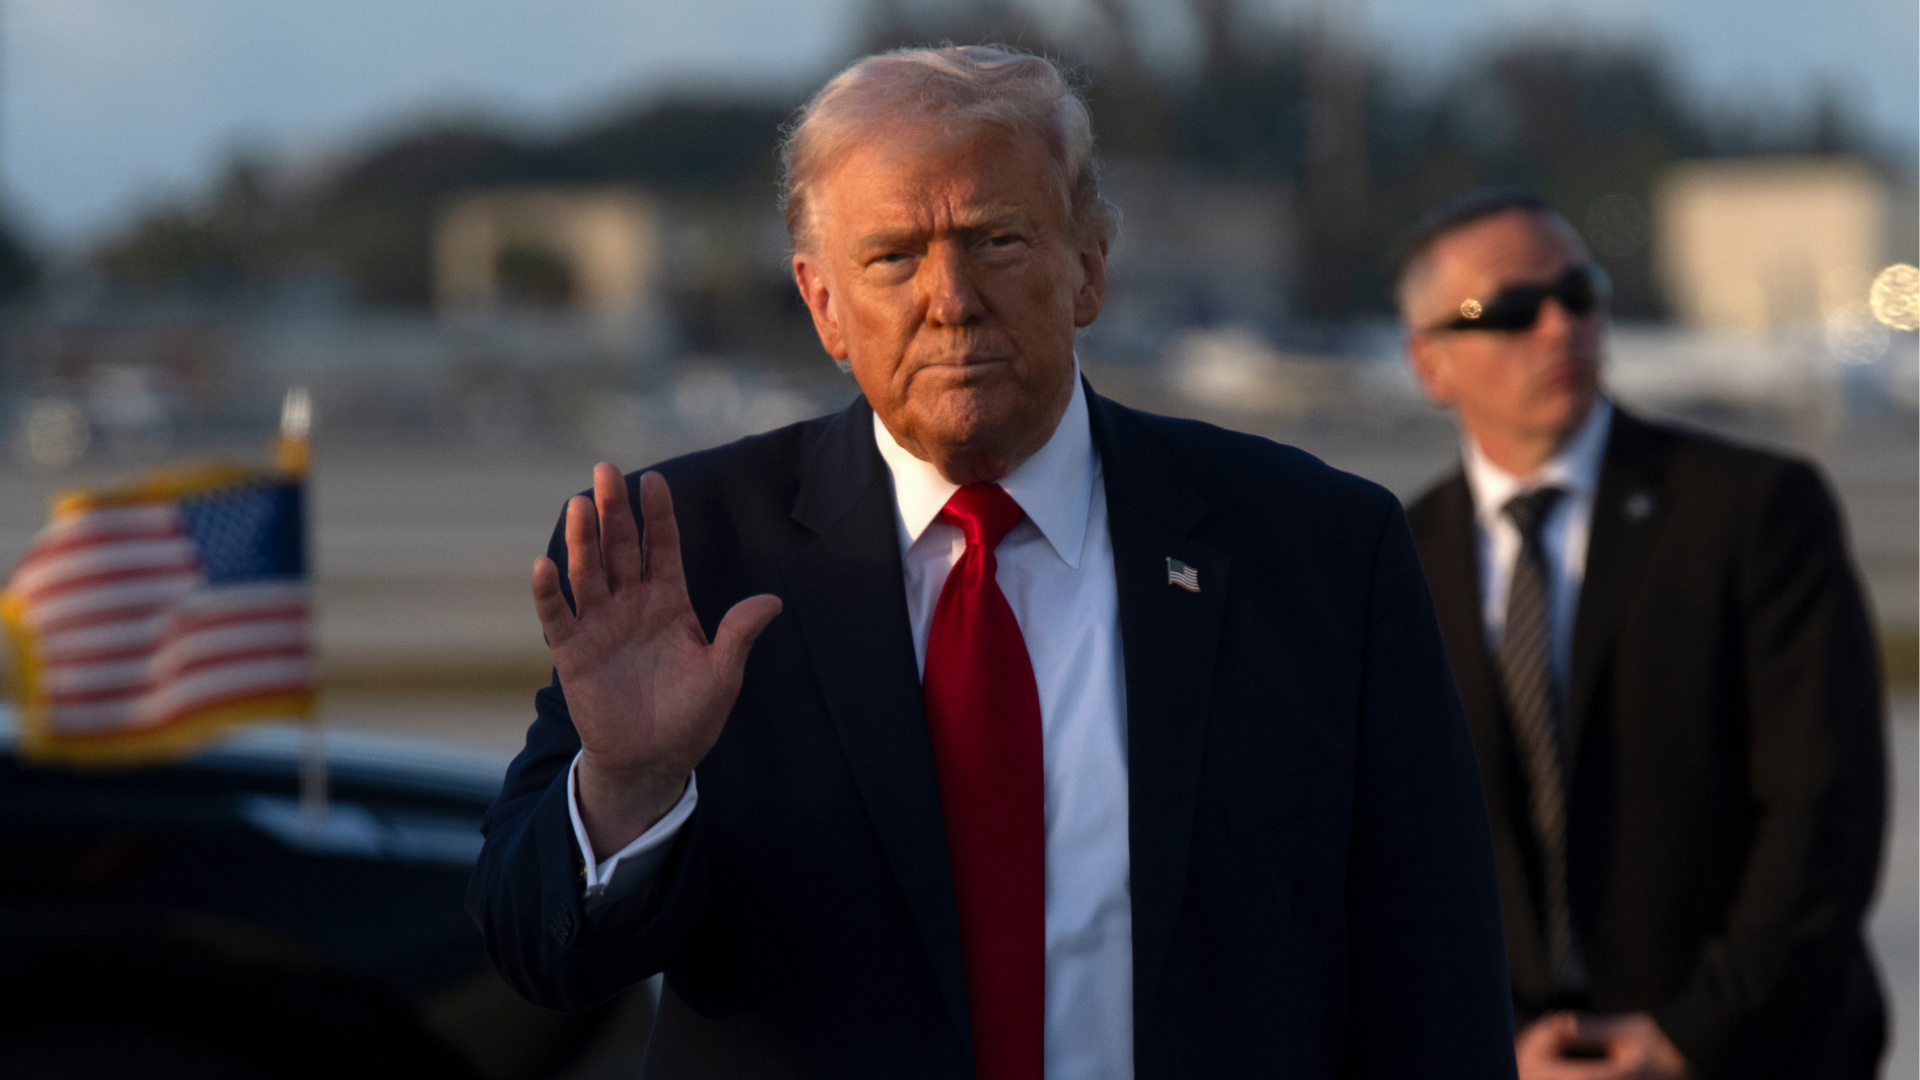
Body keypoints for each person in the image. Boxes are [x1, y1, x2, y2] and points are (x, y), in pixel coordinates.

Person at [469, 46, 1517, 1078]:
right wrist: (628, 789)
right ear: (823, 304)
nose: (952, 297)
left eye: (998, 240)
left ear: (1090, 266)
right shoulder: (686, 555)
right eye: (893, 257)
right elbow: (537, 951)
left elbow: (1438, 985)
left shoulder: (1318, 552)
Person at [1397, 189, 1888, 1080]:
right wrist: (1501, 1039)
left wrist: (1689, 1035)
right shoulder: (1397, 556)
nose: (1560, 328)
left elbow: (1825, 809)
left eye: (1579, 294)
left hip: (1749, 1052)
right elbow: (1388, 851)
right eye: (1513, 308)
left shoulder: (1753, 511)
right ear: (1431, 365)